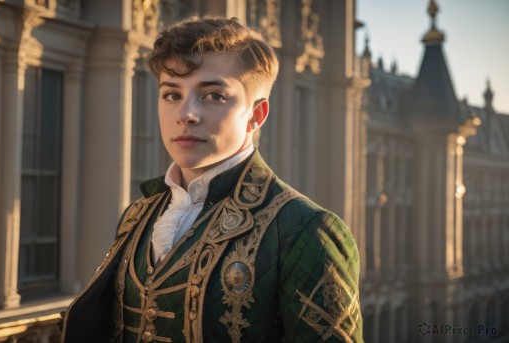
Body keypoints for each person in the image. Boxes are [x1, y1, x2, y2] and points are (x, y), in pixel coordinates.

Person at [60, 16, 363, 343]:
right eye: (172, 95)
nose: (186, 114)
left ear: (256, 115)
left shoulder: (307, 230)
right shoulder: (138, 215)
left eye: (213, 96)